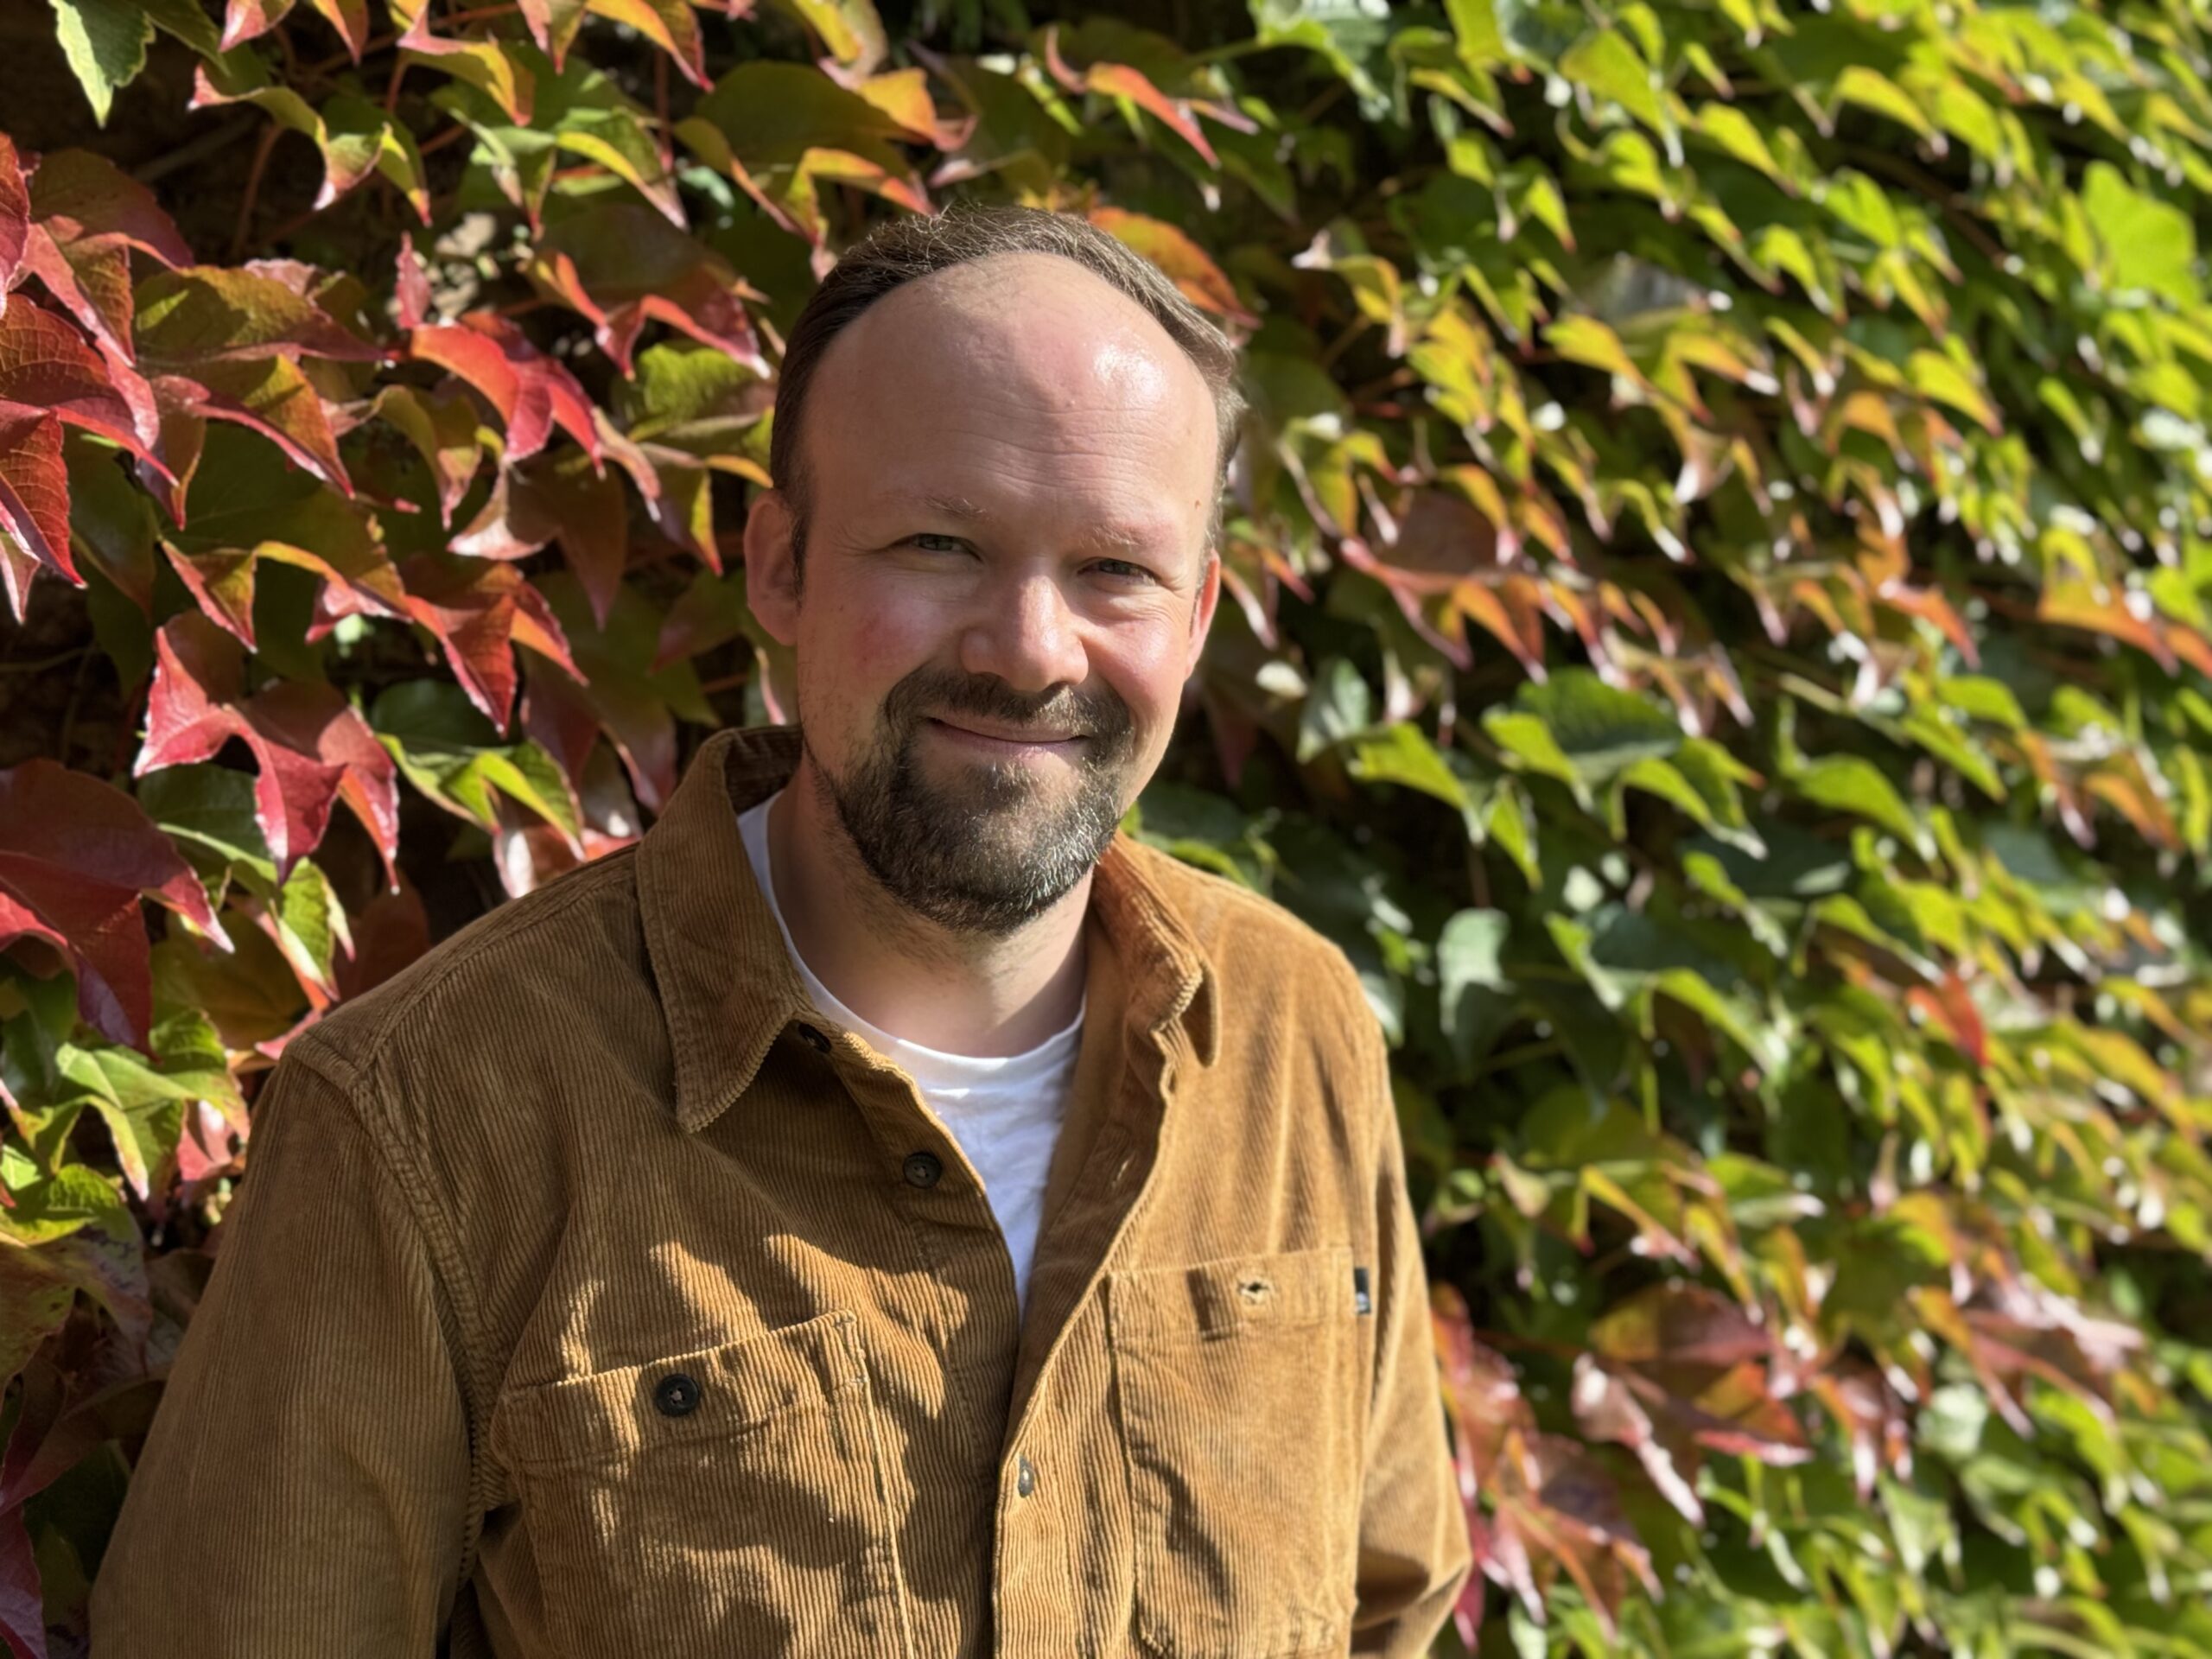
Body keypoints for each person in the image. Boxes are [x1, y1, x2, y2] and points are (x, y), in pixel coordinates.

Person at [92, 207, 1471, 1657]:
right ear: (780, 569)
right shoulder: (433, 1120)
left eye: (1115, 569)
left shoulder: (1293, 1029)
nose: (1030, 649)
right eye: (939, 542)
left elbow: (1393, 1605)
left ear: (1195, 617)